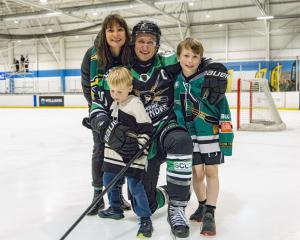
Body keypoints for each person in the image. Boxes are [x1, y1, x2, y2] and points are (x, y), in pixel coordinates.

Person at [90, 20, 228, 238]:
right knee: (142, 205)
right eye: (141, 41)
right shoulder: (122, 72)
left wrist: (216, 70)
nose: (145, 46)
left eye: (151, 42)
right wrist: (101, 123)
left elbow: (196, 59)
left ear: (157, 45)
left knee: (182, 140)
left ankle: (177, 207)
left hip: (166, 128)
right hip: (140, 142)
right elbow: (98, 100)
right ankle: (170, 191)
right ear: (134, 43)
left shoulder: (168, 62)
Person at [173, 37, 234, 236]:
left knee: (211, 173)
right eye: (186, 56)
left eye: (195, 56)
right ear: (178, 57)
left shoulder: (209, 79)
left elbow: (222, 106)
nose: (190, 60)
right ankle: (201, 204)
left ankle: (210, 212)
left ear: (201, 59)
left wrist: (226, 135)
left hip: (211, 134)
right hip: (189, 135)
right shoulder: (176, 81)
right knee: (197, 173)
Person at [81, 14, 131, 216]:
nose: (115, 34)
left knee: (123, 151)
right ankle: (97, 195)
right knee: (100, 150)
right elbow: (86, 86)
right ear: (104, 33)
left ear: (126, 33)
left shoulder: (131, 55)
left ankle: (117, 196)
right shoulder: (92, 56)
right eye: (110, 30)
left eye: (119, 29)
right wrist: (98, 111)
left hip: (127, 110)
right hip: (100, 110)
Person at [98, 67, 154, 238]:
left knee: (134, 186)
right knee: (109, 180)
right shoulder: (115, 103)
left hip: (132, 155)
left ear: (129, 88)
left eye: (119, 91)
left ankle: (145, 218)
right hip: (114, 154)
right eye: (112, 91)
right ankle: (115, 208)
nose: (115, 95)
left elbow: (146, 128)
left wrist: (139, 148)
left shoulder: (134, 104)